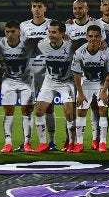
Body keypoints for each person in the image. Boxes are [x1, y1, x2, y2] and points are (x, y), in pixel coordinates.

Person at [0, 20, 37, 153]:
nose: (10, 34)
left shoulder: (28, 42)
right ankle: (8, 143)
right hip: (8, 81)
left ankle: (27, 143)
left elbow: (45, 39)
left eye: (13, 31)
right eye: (7, 32)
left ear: (19, 32)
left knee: (26, 111)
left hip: (26, 80)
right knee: (8, 111)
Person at [33, 20, 77, 153]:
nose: (50, 35)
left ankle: (71, 142)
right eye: (49, 32)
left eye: (54, 32)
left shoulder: (70, 46)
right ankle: (43, 143)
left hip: (66, 82)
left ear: (62, 34)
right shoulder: (42, 44)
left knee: (69, 113)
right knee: (39, 111)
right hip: (49, 81)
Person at [70, 25, 109, 153]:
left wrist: (104, 91)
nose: (93, 39)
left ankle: (102, 142)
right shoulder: (79, 52)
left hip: (101, 84)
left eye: (96, 36)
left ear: (101, 37)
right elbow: (77, 74)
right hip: (86, 84)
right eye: (90, 36)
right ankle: (79, 143)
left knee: (102, 110)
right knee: (82, 112)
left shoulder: (107, 52)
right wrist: (80, 93)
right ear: (86, 37)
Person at [20, 0, 55, 150]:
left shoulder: (52, 24)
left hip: (47, 71)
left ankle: (51, 141)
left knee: (49, 106)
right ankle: (27, 142)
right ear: (31, 8)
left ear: (45, 8)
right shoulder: (24, 26)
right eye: (34, 6)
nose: (37, 9)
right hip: (29, 71)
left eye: (40, 6)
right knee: (27, 106)